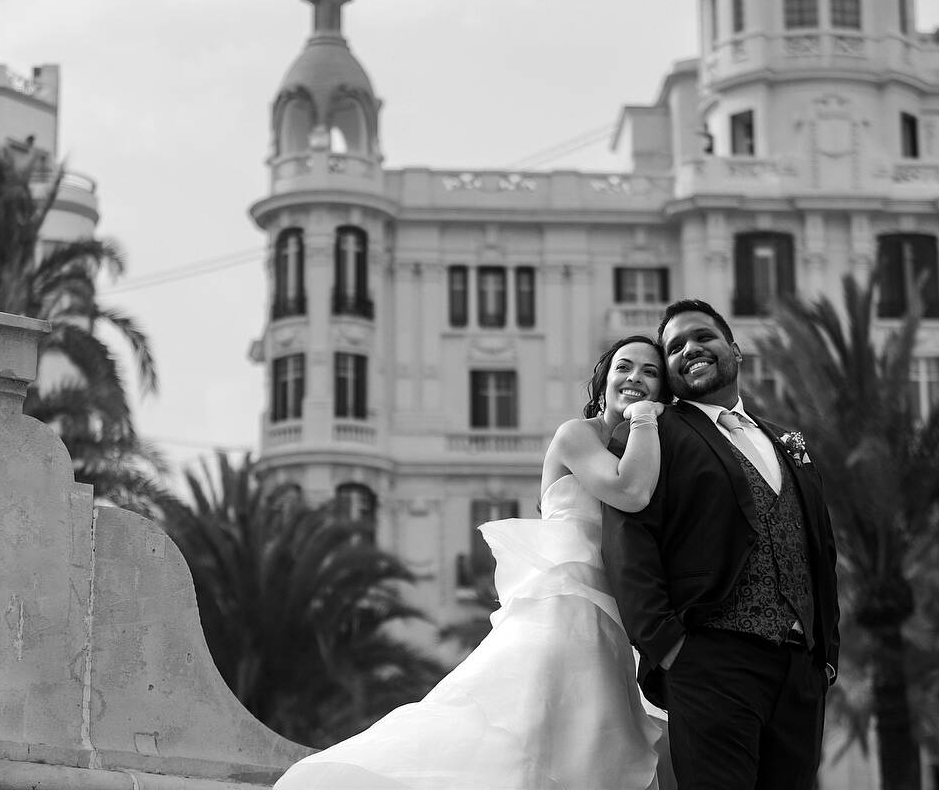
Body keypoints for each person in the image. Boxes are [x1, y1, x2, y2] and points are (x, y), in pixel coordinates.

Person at [274, 334, 671, 790]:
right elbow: (629, 492)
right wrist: (644, 418)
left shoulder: (643, 448)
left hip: (614, 616)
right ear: (604, 384)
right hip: (565, 608)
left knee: (592, 744)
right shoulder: (577, 435)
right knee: (541, 736)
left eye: (650, 372)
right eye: (624, 367)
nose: (635, 377)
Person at [602, 299, 840, 790]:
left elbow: (820, 548)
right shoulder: (654, 431)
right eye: (674, 347)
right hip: (708, 660)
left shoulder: (786, 441)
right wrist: (670, 648)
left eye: (703, 337)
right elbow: (630, 542)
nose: (690, 349)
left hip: (800, 671)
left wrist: (826, 658)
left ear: (733, 349)